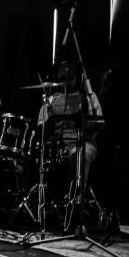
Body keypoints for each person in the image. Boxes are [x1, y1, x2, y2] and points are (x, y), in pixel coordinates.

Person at [36, 61, 104, 226]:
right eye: (62, 78)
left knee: (78, 155)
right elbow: (40, 131)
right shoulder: (51, 100)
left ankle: (75, 206)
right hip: (58, 146)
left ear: (77, 78)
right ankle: (46, 208)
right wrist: (50, 121)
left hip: (83, 143)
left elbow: (100, 124)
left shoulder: (88, 97)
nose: (66, 81)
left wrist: (79, 122)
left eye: (70, 78)